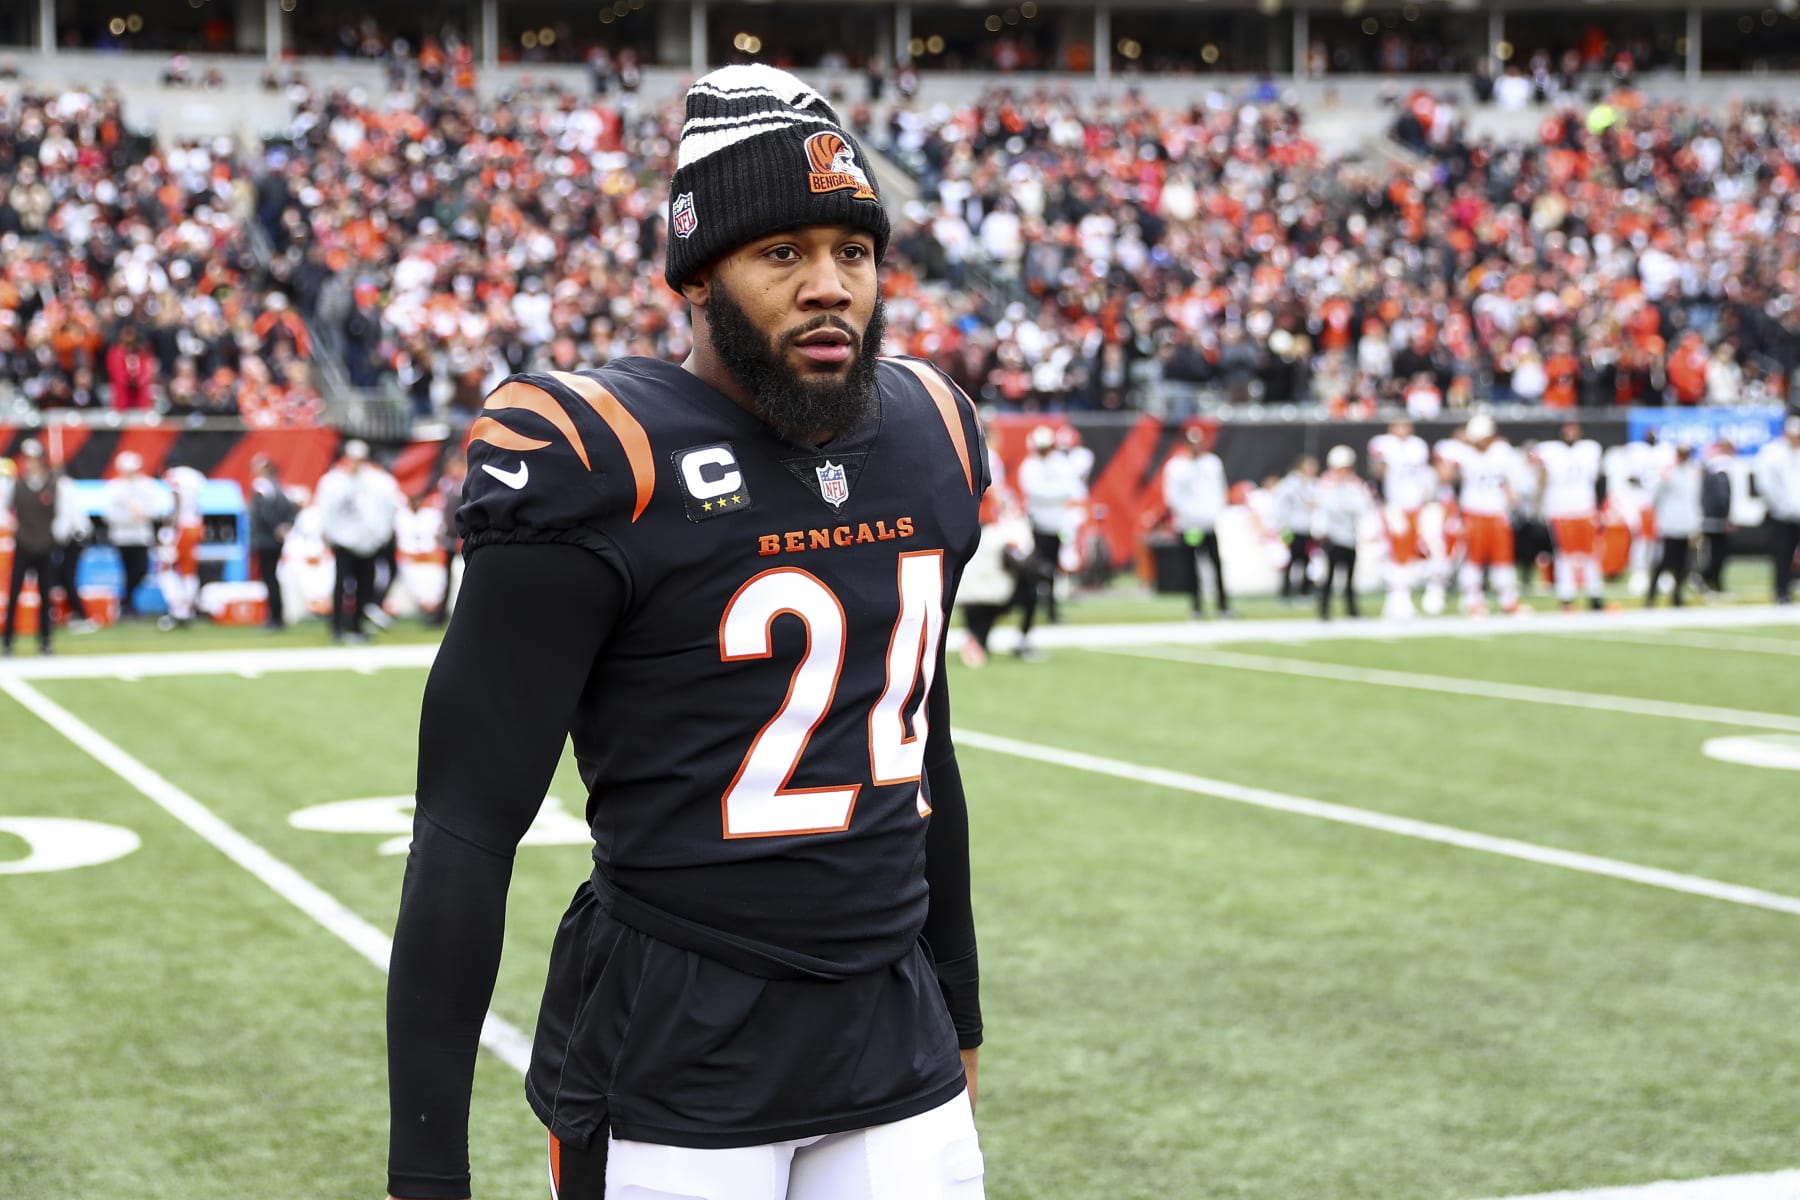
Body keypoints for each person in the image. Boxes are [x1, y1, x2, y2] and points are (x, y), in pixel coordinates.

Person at [385, 65, 986, 1200]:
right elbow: (464, 827)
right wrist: (427, 1170)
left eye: (854, 252)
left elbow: (923, 746)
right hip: (677, 1041)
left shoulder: (931, 430)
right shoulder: (597, 452)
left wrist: (959, 1002)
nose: (829, 287)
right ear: (698, 275)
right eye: (783, 253)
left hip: (893, 1028)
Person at [316, 440, 396, 642]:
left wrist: (380, 536)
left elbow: (384, 509)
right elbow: (326, 510)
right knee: (341, 583)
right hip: (343, 541)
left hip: (367, 542)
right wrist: (329, 533)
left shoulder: (375, 481)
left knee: (365, 585)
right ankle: (337, 626)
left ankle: (357, 625)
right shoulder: (333, 482)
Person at [1448, 414, 1522, 616]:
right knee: (1474, 558)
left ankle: (1508, 600)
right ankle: (1472, 600)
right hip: (1473, 511)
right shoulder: (1462, 452)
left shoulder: (1501, 451)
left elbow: (1507, 479)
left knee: (1503, 558)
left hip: (1497, 512)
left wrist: (1511, 497)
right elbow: (1448, 476)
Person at [1534, 421, 1606, 613]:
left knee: (1591, 554)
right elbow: (1540, 474)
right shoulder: (1551, 451)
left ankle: (1595, 594)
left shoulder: (1590, 449)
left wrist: (1599, 506)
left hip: (1585, 508)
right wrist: (1539, 503)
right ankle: (1566, 597)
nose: (1570, 433)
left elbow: (1598, 478)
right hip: (1560, 510)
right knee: (1564, 555)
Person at [1161, 426, 1231, 619]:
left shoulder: (1212, 463)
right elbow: (1172, 497)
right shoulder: (1177, 467)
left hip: (1208, 524)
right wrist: (1189, 515)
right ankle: (1197, 607)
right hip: (1189, 526)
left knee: (1216, 564)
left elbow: (1220, 490)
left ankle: (1222, 606)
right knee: (1191, 567)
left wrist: (1214, 513)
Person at [1015, 424, 1082, 623]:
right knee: (1036, 567)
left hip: (1056, 523)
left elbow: (1068, 489)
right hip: (1037, 523)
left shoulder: (1059, 463)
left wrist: (1050, 493)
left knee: (1052, 568)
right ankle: (1030, 607)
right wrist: (1054, 493)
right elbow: (1035, 492)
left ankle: (1051, 610)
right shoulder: (1030, 466)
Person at [1366, 419, 1431, 619]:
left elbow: (1423, 475)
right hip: (1394, 505)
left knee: (1410, 554)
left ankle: (1397, 600)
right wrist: (1380, 464)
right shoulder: (1383, 444)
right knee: (1395, 552)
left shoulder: (1418, 445)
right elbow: (1376, 471)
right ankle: (1398, 600)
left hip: (1414, 505)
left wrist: (1425, 495)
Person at [3, 439, 56, 656]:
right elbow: (5, 509)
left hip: (45, 545)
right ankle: (8, 640)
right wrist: (13, 525)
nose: (30, 463)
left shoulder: (53, 483)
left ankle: (45, 641)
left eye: (34, 459)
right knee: (14, 593)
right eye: (27, 459)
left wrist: (54, 536)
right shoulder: (17, 485)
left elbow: (61, 514)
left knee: (45, 594)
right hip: (23, 544)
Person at [1312, 445, 1373, 620]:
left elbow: (1362, 507)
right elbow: (1324, 508)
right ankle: (1324, 611)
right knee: (1328, 577)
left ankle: (1351, 610)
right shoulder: (1325, 485)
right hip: (1332, 537)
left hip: (1350, 537)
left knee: (1350, 578)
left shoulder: (1356, 486)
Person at [104, 450, 163, 617]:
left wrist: (141, 512)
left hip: (141, 537)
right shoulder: (114, 487)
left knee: (141, 570)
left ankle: (126, 601)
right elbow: (109, 514)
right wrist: (130, 515)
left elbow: (156, 510)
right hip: (122, 537)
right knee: (127, 571)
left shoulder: (147, 485)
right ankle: (128, 605)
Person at [1646, 444, 1702, 607]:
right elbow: (1655, 496)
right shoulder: (1669, 472)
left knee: (1683, 563)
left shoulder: (1692, 472)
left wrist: (1696, 523)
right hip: (1670, 524)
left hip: (1687, 524)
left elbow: (1694, 500)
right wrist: (1661, 517)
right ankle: (1652, 595)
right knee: (1664, 561)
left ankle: (1677, 595)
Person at [1754, 415, 1800, 604]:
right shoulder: (1772, 453)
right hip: (1781, 515)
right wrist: (1781, 505)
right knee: (1783, 555)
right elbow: (1765, 484)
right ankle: (1782, 591)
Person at [249, 456, 299, 629]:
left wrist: (277, 527)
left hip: (265, 540)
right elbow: (291, 510)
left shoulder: (261, 487)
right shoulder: (279, 487)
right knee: (273, 578)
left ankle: (274, 617)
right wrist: (285, 526)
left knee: (269, 578)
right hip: (276, 540)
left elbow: (264, 513)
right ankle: (277, 616)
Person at [1697, 441, 1734, 595]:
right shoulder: (1718, 470)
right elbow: (1721, 499)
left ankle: (1712, 582)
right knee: (1714, 554)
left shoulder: (1711, 470)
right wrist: (1725, 517)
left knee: (1715, 554)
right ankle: (1709, 581)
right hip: (1714, 520)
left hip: (1712, 519)